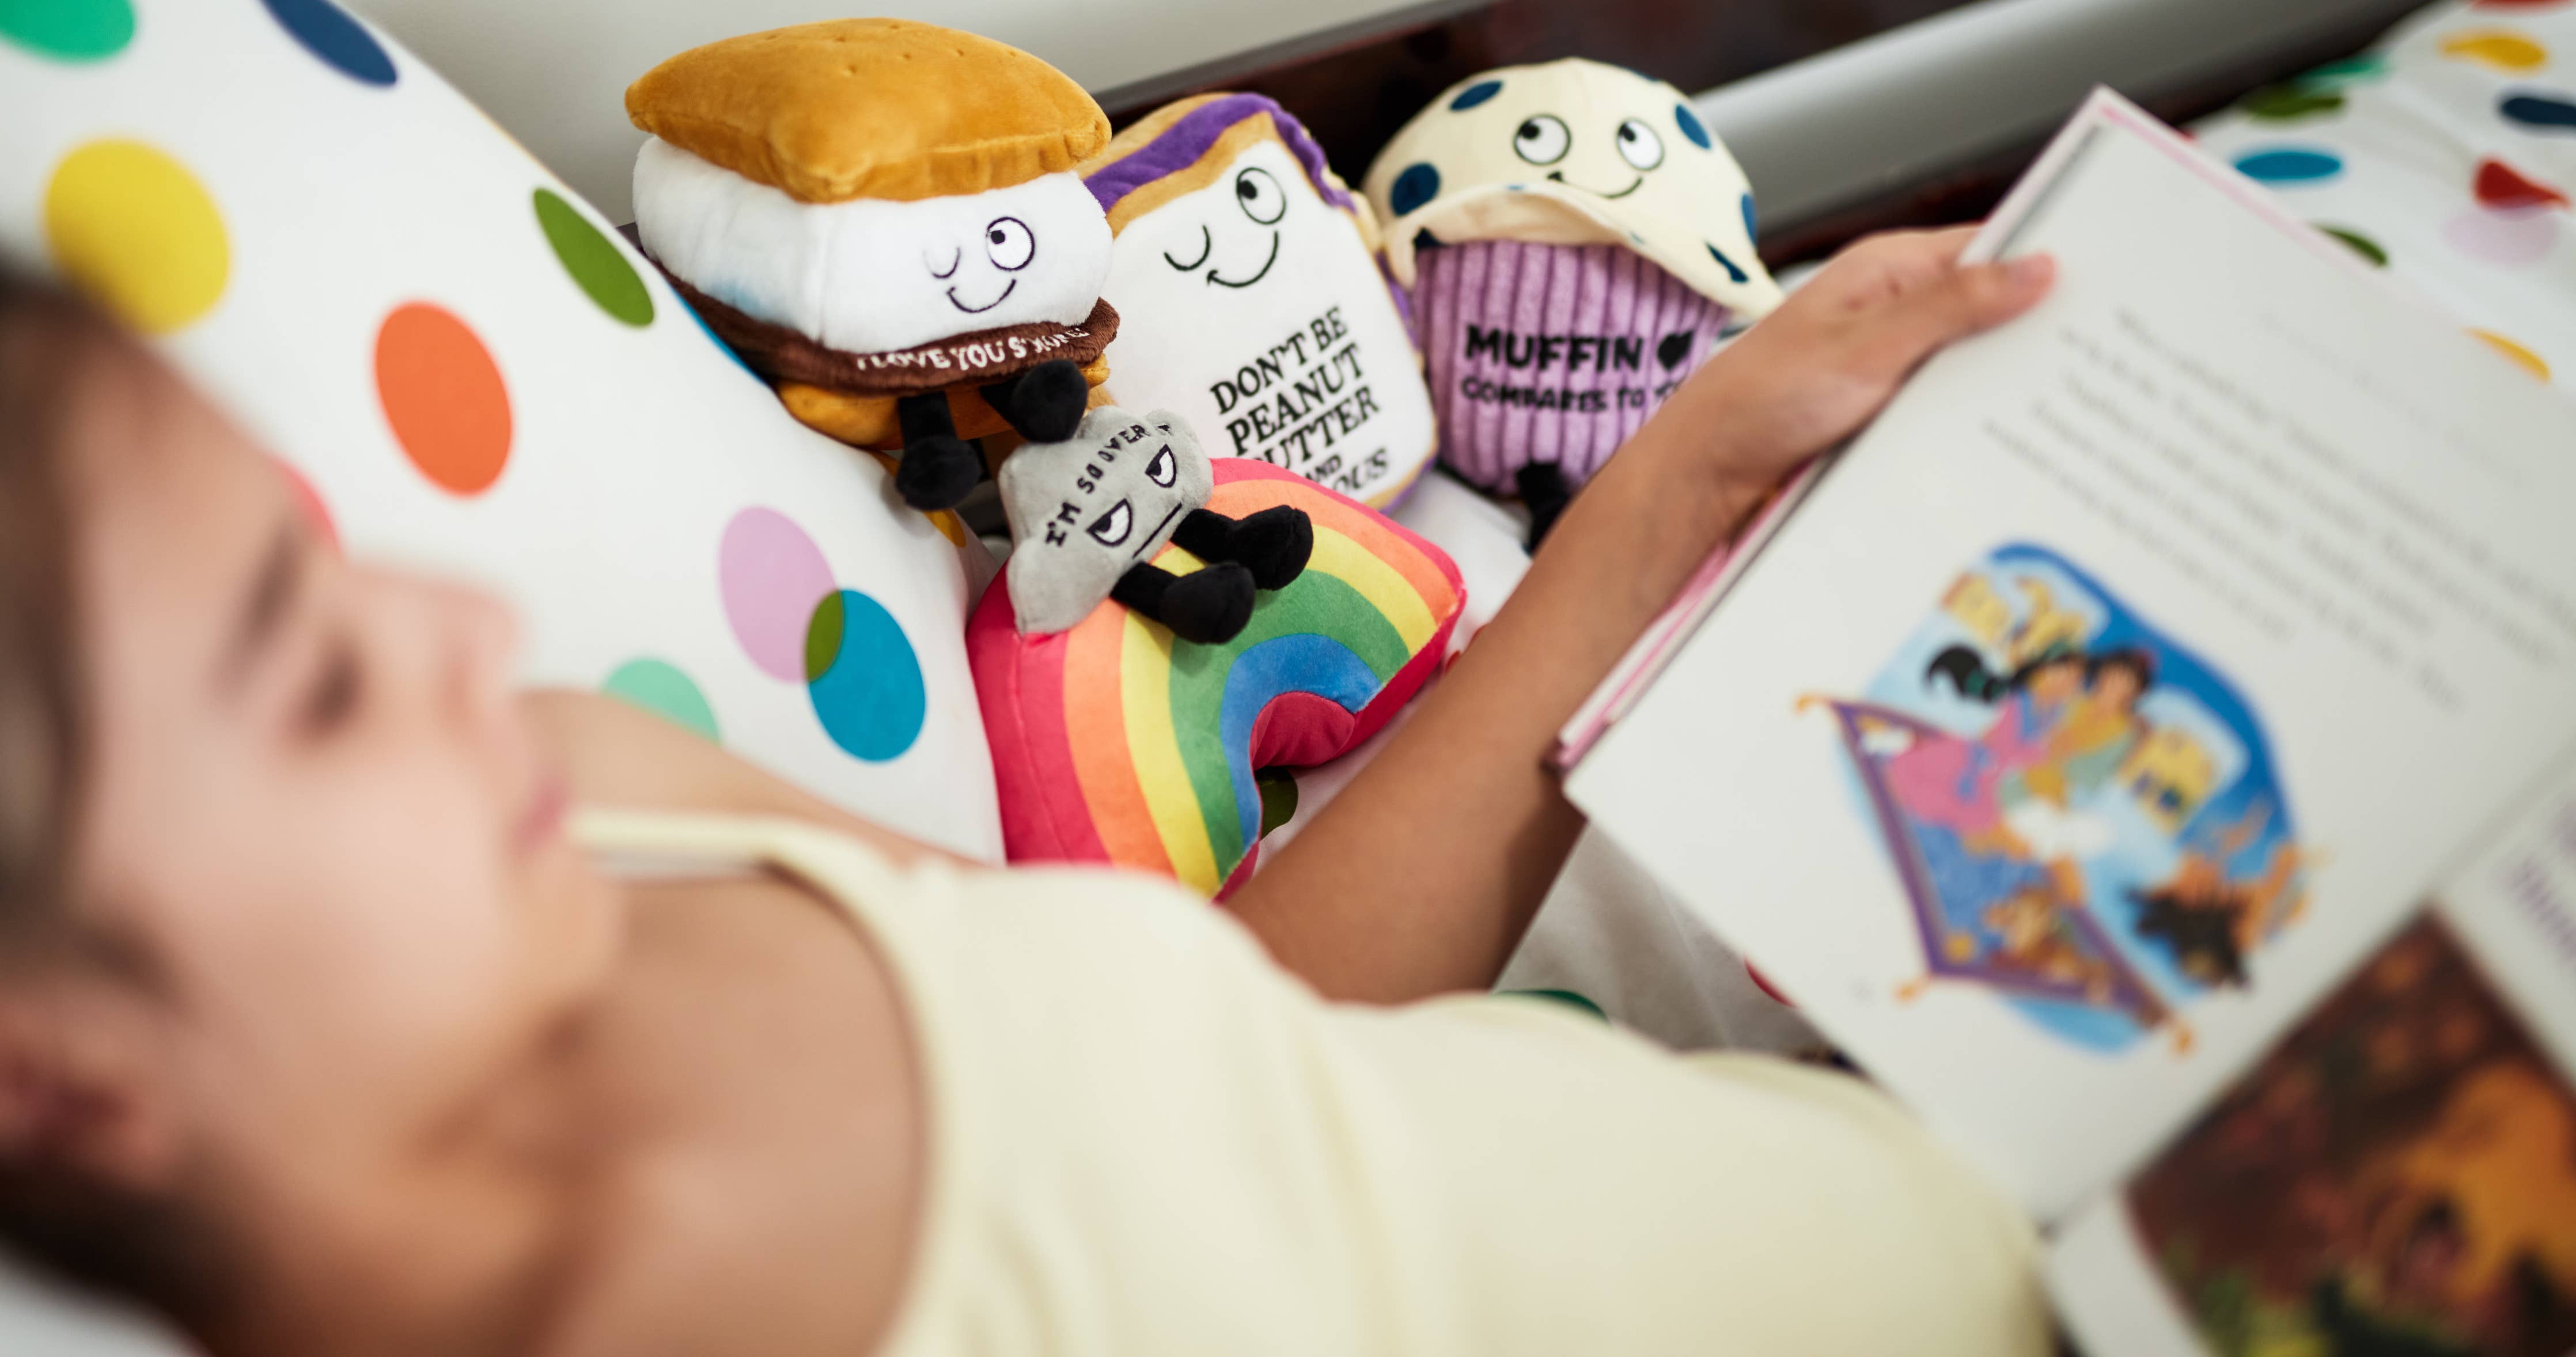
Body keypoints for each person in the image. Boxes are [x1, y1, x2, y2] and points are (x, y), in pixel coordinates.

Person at [0, 228, 2056, 1356]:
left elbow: (1247, 1044)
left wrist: (1677, 481)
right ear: (55, 1072)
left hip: (1989, 1164)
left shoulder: (591, 810)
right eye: (310, 678)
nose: (459, 631)